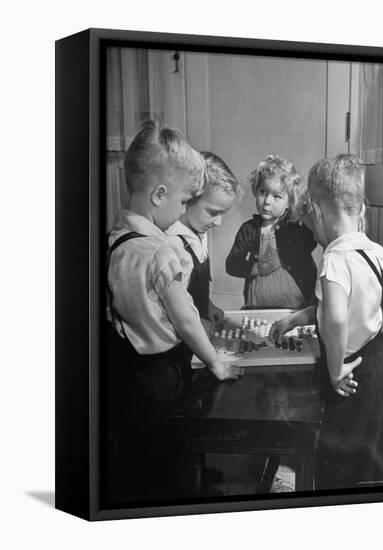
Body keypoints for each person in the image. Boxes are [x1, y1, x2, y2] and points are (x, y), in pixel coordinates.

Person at [105, 120, 244, 503]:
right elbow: (184, 318)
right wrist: (215, 360)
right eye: (184, 202)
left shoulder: (116, 238)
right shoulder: (161, 250)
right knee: (170, 459)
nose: (184, 210)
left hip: (127, 373)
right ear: (159, 194)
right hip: (162, 374)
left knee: (140, 457)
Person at [269, 154, 383, 490]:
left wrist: (335, 366)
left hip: (352, 371)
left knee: (340, 464)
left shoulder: (334, 259)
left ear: (315, 209)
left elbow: (338, 316)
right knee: (375, 454)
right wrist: (298, 317)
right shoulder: (376, 251)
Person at [225, 155, 317, 308]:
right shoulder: (249, 230)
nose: (267, 201)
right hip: (257, 304)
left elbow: (310, 242)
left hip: (295, 305)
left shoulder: (295, 227)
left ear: (289, 202)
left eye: (276, 196)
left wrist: (280, 258)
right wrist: (253, 268)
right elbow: (232, 264)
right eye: (263, 192)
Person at [167, 151, 240, 337]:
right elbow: (166, 309)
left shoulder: (199, 233)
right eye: (213, 212)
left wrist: (207, 305)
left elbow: (192, 289)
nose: (218, 222)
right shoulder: (171, 243)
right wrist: (197, 324)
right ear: (189, 199)